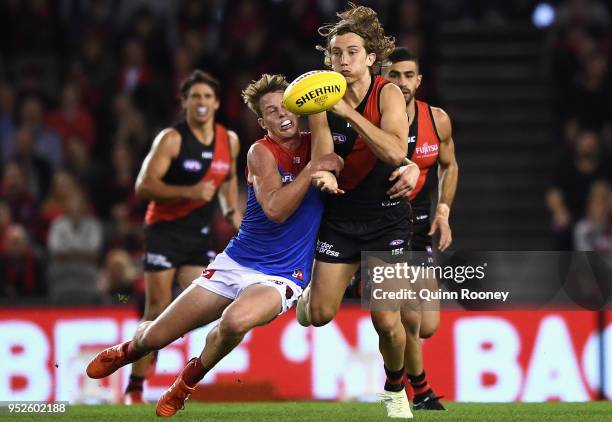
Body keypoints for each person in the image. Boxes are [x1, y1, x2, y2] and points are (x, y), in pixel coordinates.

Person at [85, 74, 343, 417]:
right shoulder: (260, 153)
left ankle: (187, 380)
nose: (282, 114)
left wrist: (330, 162)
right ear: (261, 121)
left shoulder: (318, 143)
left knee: (235, 322)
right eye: (271, 110)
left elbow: (333, 158)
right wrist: (314, 170)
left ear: (298, 109)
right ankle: (130, 350)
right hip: (236, 261)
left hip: (284, 274)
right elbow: (277, 210)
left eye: (286, 106)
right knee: (156, 336)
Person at [296, 4, 420, 418]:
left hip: (387, 218)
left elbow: (396, 151)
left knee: (386, 321)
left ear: (370, 58)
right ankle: (316, 287)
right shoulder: (318, 101)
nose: (342, 61)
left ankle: (394, 388)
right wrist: (326, 175)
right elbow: (325, 155)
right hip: (342, 217)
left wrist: (348, 112)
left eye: (351, 52)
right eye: (335, 53)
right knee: (317, 316)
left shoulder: (387, 92)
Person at [124, 70, 242, 404]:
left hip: (198, 235)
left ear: (217, 102)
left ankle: (159, 337)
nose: (201, 102)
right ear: (185, 103)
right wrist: (190, 191)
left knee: (212, 304)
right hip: (163, 231)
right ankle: (135, 387)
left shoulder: (228, 141)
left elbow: (228, 185)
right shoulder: (171, 139)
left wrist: (235, 217)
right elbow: (144, 186)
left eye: (207, 97)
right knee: (158, 306)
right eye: (195, 97)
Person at [384, 46, 459, 411]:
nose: (401, 83)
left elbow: (449, 164)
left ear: (419, 80)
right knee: (408, 315)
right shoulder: (373, 119)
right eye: (394, 76)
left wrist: (442, 211)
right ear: (383, 79)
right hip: (380, 225)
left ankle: (408, 384)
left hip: (418, 227)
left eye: (408, 75)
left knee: (426, 325)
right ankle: (419, 391)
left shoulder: (437, 120)